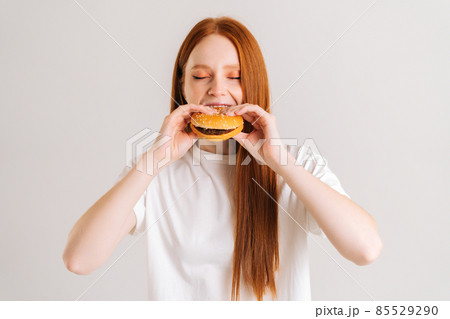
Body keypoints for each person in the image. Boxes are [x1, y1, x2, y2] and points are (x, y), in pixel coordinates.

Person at [63, 16, 382, 301]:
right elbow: (79, 260)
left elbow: (365, 249)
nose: (217, 90)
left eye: (235, 76)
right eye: (201, 76)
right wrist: (156, 158)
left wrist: (278, 161)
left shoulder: (295, 162)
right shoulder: (154, 169)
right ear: (182, 85)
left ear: (254, 84)